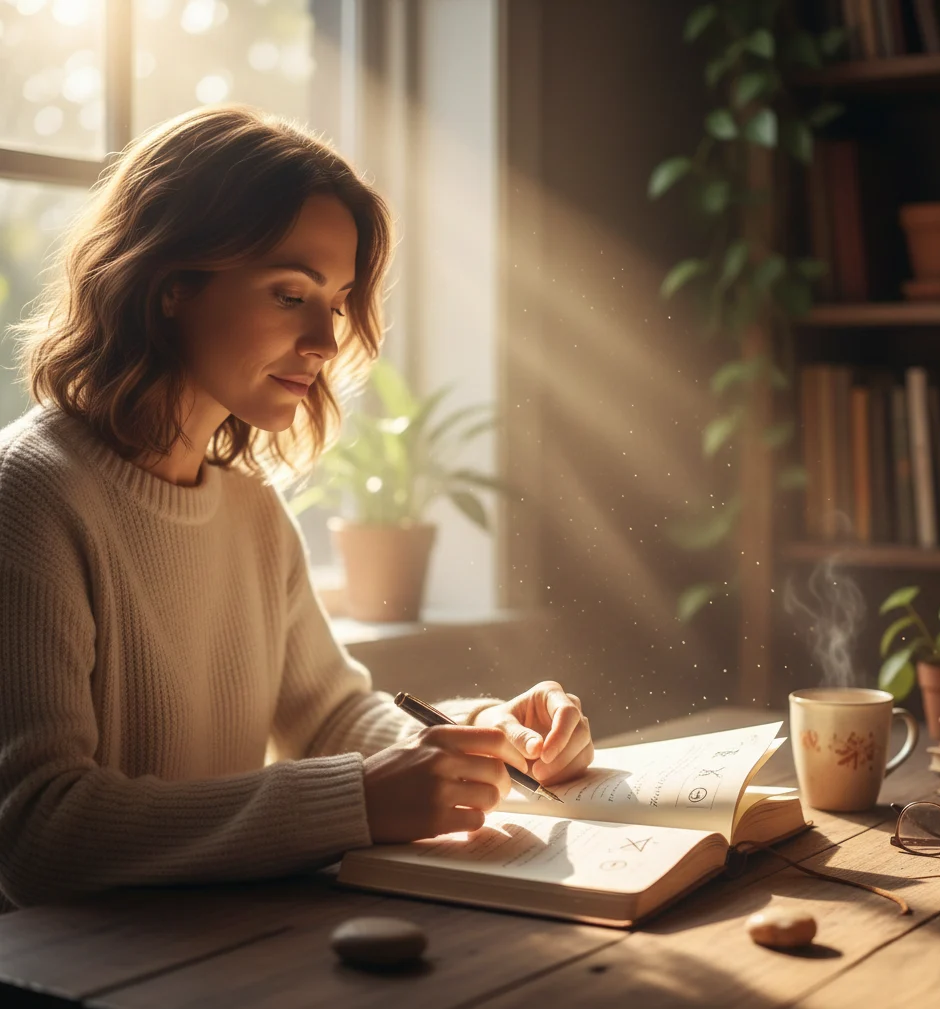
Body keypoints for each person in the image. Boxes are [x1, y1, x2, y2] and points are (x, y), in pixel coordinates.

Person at [0, 104, 593, 912]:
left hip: (221, 946)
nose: (326, 340)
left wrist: (481, 737)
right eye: (290, 295)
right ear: (170, 286)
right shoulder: (29, 495)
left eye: (338, 303)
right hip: (66, 970)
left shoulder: (249, 507)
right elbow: (35, 835)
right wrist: (356, 802)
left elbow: (330, 717)